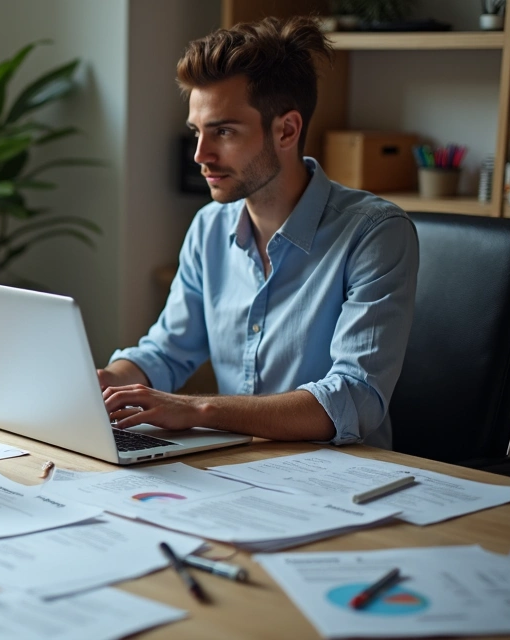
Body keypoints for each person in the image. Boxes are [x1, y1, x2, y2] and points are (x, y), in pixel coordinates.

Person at [98, 16, 418, 449]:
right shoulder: (209, 227)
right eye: (197, 132)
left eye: (223, 131)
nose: (200, 155)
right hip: (236, 466)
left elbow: (354, 396)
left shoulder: (375, 233)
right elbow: (167, 352)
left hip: (342, 474)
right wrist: (106, 383)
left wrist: (200, 409)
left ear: (286, 130)